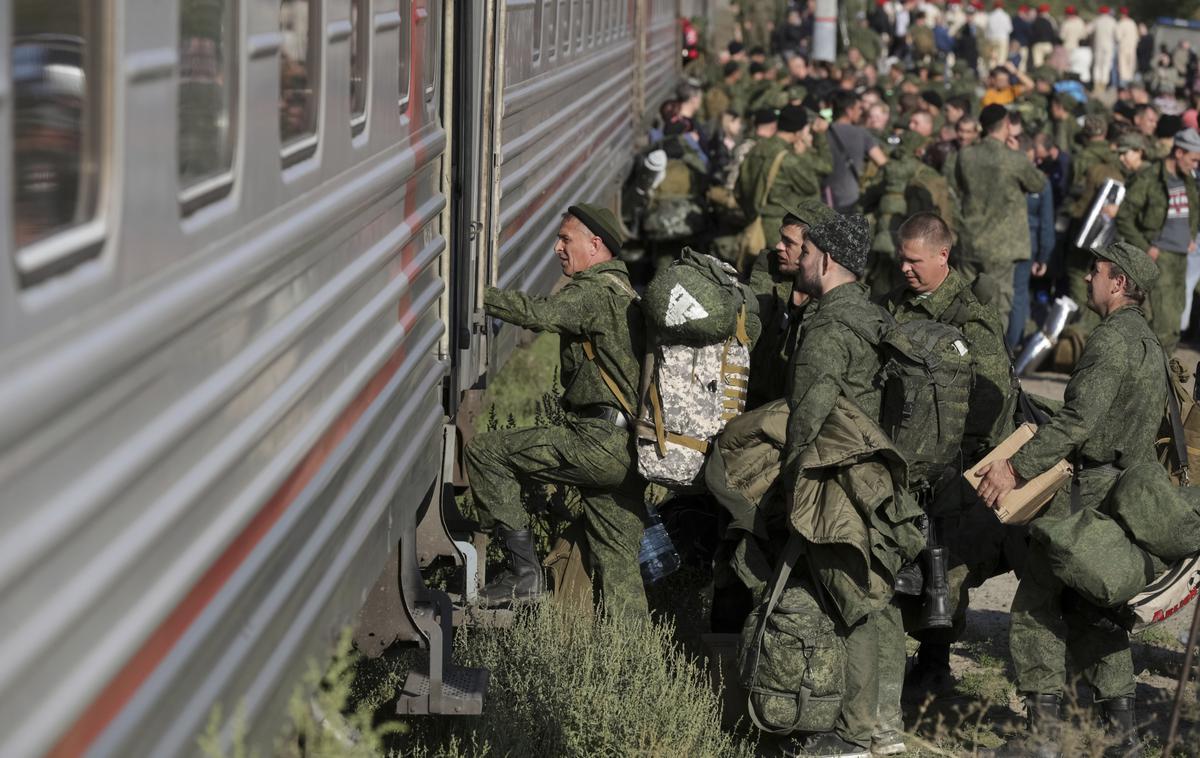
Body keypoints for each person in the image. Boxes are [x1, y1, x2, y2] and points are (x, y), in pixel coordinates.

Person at [975, 241, 1165, 758]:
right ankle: (1121, 731)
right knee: (1095, 610)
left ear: (1119, 283)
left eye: (1097, 271)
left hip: (1085, 494)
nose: (1087, 279)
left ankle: (1042, 736)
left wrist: (1014, 466)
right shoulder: (1148, 341)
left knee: (1037, 603)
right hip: (1120, 487)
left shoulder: (1110, 343)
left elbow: (1079, 423)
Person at [463, 204, 648, 616]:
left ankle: (524, 574)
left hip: (595, 443)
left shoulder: (593, 292)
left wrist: (475, 295)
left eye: (566, 239)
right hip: (629, 448)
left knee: (486, 451)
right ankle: (632, 659)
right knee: (619, 566)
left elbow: (540, 314)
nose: (556, 248)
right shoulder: (625, 292)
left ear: (595, 245)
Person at [781, 212, 909, 758]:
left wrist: (787, 486)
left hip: (838, 481)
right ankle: (886, 728)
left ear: (827, 259)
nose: (800, 261)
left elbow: (806, 419)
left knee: (851, 602)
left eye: (805, 252)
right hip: (881, 479)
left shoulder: (830, 328)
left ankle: (855, 736)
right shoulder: (872, 315)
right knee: (880, 603)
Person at [880, 212, 1021, 700]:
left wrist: (951, 453)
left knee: (941, 568)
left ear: (943, 255)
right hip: (899, 454)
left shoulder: (968, 318)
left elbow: (994, 395)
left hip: (949, 466)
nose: (906, 269)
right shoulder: (897, 303)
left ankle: (935, 666)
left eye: (915, 261)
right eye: (901, 260)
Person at [948, 103, 1047, 324]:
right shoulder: (1013, 159)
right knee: (996, 309)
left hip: (970, 239)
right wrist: (1020, 155)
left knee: (964, 302)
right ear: (1006, 126)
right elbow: (1038, 183)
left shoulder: (965, 155)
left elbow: (960, 185)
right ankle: (991, 356)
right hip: (1002, 245)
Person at [1115, 127, 1200, 353]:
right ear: (1179, 152)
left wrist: (1191, 235)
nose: (1195, 165)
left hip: (1181, 257)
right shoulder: (1150, 178)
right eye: (1193, 159)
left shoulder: (1188, 180)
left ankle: (1163, 376)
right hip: (1158, 258)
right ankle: (1154, 377)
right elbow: (1124, 216)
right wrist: (1146, 247)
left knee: (1174, 322)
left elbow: (1194, 208)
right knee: (1162, 323)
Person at [825, 90, 889, 212]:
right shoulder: (861, 134)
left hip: (825, 197)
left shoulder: (823, 133)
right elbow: (882, 162)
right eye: (858, 108)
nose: (861, 112)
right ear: (849, 111)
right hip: (850, 198)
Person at [1116, 6, 1140, 86]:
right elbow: (1137, 37)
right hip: (1132, 48)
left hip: (1123, 48)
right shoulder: (1132, 23)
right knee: (1130, 67)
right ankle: (1130, 85)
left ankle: (1123, 86)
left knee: (1123, 68)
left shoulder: (1121, 23)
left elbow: (1117, 37)